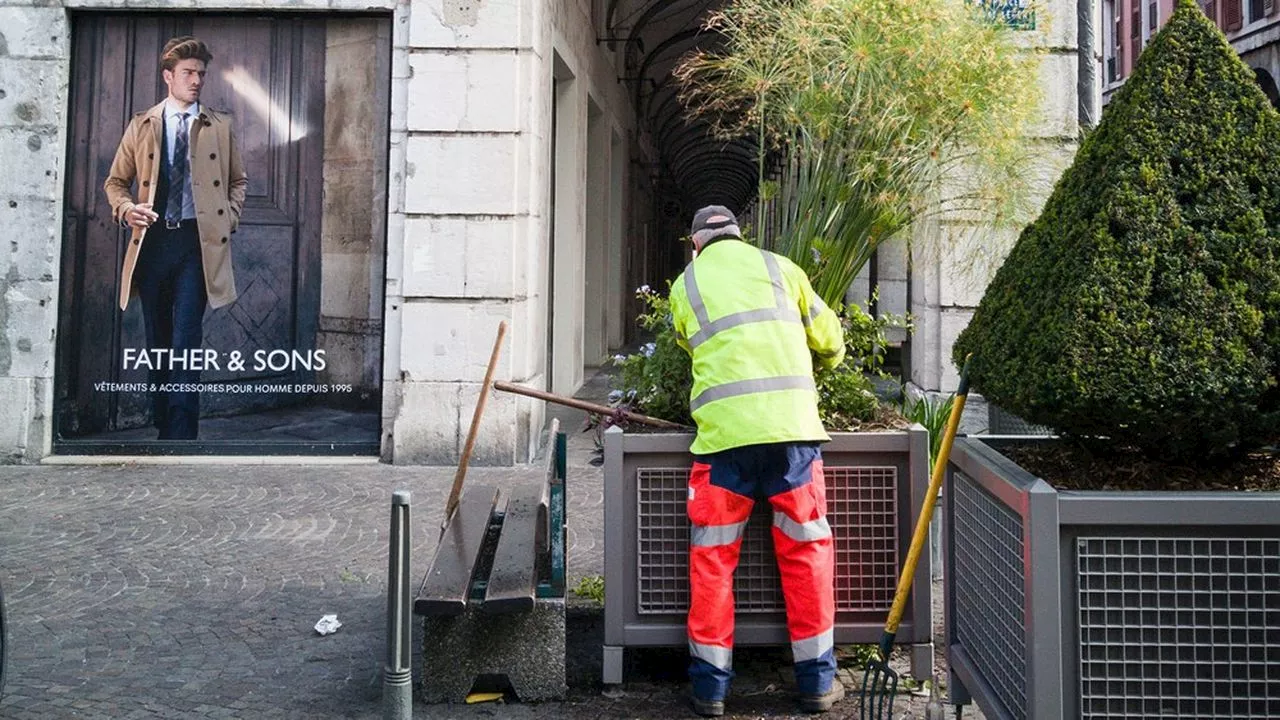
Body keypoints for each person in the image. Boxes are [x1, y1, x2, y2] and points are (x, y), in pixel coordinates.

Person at [668, 205, 847, 717]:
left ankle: (710, 690)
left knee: (713, 559)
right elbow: (828, 340)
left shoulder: (688, 284)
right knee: (807, 551)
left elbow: (688, 345)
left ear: (696, 243)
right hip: (793, 437)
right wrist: (826, 363)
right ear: (741, 238)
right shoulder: (781, 267)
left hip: (723, 442)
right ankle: (816, 683)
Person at [104, 36, 247, 440]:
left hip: (195, 246)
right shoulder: (143, 124)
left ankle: (181, 435)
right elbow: (115, 182)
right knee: (158, 340)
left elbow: (239, 182)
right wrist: (127, 208)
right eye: (188, 73)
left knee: (187, 337)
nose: (197, 80)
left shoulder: (219, 126)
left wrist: (228, 219)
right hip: (151, 246)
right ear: (169, 76)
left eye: (201, 73)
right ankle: (164, 422)